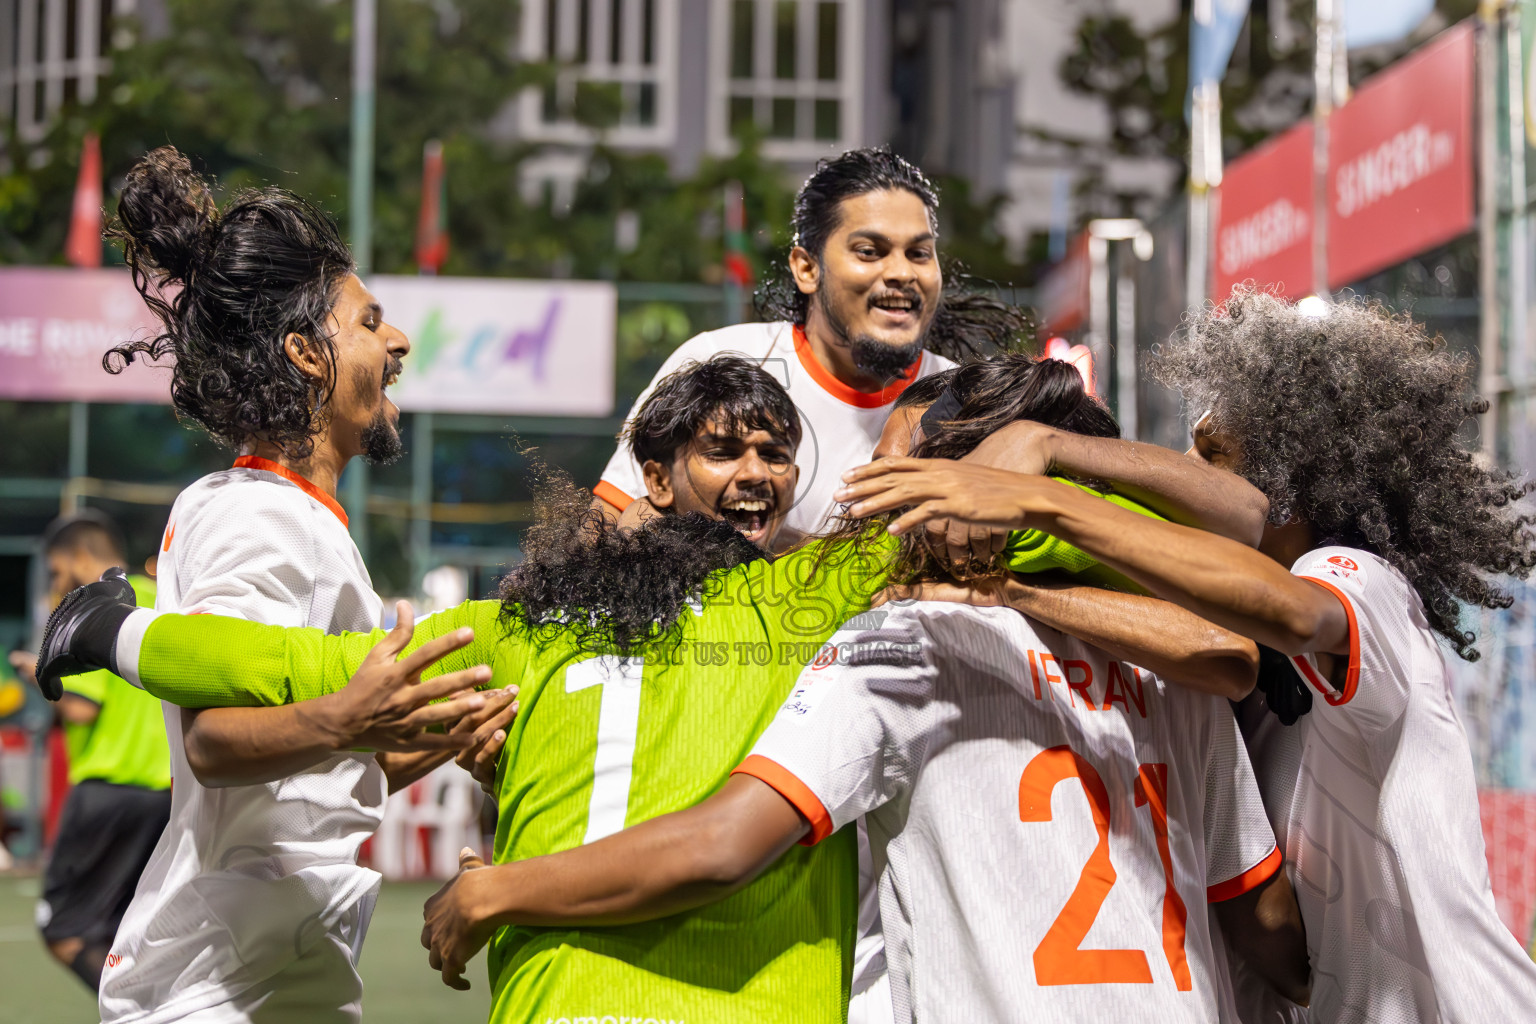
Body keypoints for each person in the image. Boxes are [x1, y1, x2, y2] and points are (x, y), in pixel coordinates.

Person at [35, 355, 1269, 1022]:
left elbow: (286, 668)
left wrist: (122, 631)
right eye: (725, 447)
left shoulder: (548, 619)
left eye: (777, 451)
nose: (757, 471)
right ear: (658, 472)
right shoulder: (807, 601)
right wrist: (1043, 481)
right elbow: (297, 667)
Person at [414, 359, 1310, 1024]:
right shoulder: (1174, 668)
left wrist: (500, 892)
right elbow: (1269, 923)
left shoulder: (895, 642)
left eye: (890, 471)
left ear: (954, 484)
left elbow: (723, 842)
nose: (857, 496)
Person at [834, 290, 1536, 1022]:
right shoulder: (1211, 646)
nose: (1178, 472)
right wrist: (1005, 588)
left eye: (1210, 455)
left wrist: (1042, 481)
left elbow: (1286, 616)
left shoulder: (1360, 586)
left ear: (1292, 481)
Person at [88, 146, 495, 1024]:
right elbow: (218, 741)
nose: (396, 342)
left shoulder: (293, 514)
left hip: (272, 980)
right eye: (369, 320)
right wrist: (353, 717)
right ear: (308, 354)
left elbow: (330, 766)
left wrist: (442, 728)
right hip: (216, 995)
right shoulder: (257, 517)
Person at [593, 146, 1028, 550]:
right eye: (870, 251)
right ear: (806, 268)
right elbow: (611, 523)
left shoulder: (972, 406)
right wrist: (809, 556)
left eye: (918, 253)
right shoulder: (719, 361)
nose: (901, 272)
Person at [25, 512, 170, 990]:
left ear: (81, 558)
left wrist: (41, 673)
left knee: (64, 931)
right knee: (123, 932)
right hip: (163, 795)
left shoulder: (93, 608)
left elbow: (84, 707)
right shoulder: (159, 601)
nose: (56, 581)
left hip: (108, 789)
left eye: (57, 569)